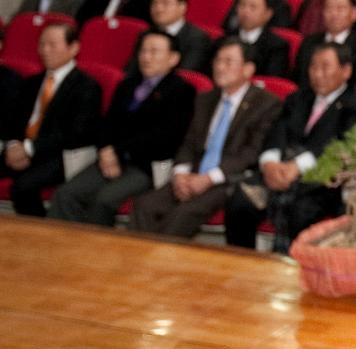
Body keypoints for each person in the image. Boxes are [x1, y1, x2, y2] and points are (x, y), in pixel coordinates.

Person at [224, 43, 356, 250]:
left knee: (298, 210)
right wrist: (269, 163)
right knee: (240, 201)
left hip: (322, 180)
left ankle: (290, 269)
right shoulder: (298, 98)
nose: (318, 74)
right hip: (280, 170)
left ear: (346, 71)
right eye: (313, 67)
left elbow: (342, 146)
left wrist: (297, 167)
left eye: (325, 67)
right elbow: (277, 131)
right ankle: (243, 261)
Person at [130, 40, 281, 238]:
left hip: (227, 180)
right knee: (144, 206)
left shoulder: (266, 103)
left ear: (247, 69)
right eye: (217, 61)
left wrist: (208, 179)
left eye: (228, 62)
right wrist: (180, 173)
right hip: (192, 175)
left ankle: (156, 265)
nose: (219, 67)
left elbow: (251, 153)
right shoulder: (205, 99)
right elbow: (189, 142)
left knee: (181, 215)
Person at [50, 32, 195, 227]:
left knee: (103, 200)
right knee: (66, 193)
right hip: (110, 158)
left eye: (154, 51)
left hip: (146, 165)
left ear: (173, 58)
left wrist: (118, 152)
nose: (146, 57)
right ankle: (64, 247)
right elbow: (107, 123)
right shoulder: (127, 84)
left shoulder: (182, 90)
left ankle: (97, 254)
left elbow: (165, 136)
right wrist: (105, 150)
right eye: (143, 51)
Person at [0, 23, 102, 216]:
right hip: (21, 149)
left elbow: (75, 133)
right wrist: (13, 145)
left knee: (23, 186)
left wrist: (30, 148)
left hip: (59, 154)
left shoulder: (86, 86)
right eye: (42, 44)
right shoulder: (31, 82)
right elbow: (12, 122)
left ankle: (37, 235)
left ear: (73, 48)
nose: (45, 50)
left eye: (52, 45)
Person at [293, 0, 356, 85]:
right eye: (328, 8)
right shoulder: (309, 42)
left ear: (354, 13)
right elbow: (298, 79)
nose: (334, 14)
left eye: (340, 9)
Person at [130, 0, 211, 74]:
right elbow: (132, 69)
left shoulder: (197, 38)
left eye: (165, 3)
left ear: (182, 7)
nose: (159, 8)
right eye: (154, 3)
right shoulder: (146, 34)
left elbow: (185, 73)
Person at [230, 0, 291, 78]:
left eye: (253, 7)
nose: (246, 11)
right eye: (242, 5)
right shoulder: (225, 39)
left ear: (268, 14)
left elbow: (271, 80)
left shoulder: (277, 46)